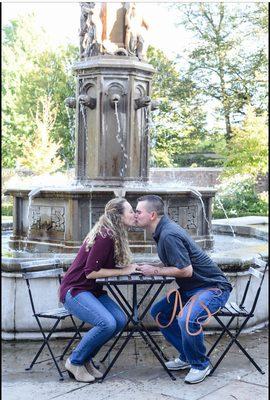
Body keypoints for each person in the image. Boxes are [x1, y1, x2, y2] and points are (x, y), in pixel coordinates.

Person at [135, 195, 232, 384]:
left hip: (212, 288)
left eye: (138, 211)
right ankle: (187, 356)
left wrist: (154, 270)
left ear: (152, 214)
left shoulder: (168, 234)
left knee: (187, 318)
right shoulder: (163, 231)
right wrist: (152, 265)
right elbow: (175, 261)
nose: (135, 214)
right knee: (160, 312)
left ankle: (200, 364)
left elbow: (186, 271)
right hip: (193, 289)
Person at [59, 198, 137, 383]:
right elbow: (91, 272)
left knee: (119, 320)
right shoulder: (105, 235)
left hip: (92, 291)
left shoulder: (113, 234)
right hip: (75, 290)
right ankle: (75, 361)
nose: (134, 215)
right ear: (118, 216)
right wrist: (123, 271)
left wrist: (133, 267)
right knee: (107, 323)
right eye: (131, 211)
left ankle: (86, 359)